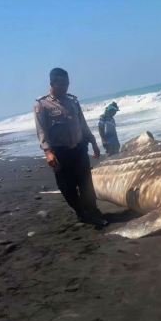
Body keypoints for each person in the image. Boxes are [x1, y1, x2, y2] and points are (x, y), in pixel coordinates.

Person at [34, 68, 107, 226]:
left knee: (86, 184)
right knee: (67, 188)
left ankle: (93, 212)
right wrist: (47, 152)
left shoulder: (73, 101)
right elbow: (41, 130)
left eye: (67, 84)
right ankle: (80, 212)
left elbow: (82, 124)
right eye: (61, 84)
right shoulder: (42, 104)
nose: (65, 87)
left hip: (79, 149)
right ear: (52, 83)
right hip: (60, 152)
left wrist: (93, 142)